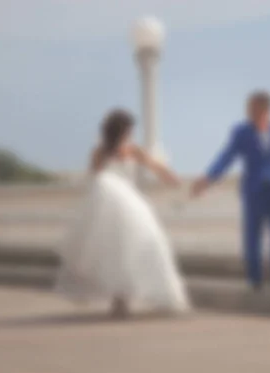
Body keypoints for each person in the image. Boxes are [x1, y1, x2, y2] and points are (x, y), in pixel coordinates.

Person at [56, 109, 191, 317]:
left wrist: (172, 179)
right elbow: (95, 177)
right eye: (129, 129)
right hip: (109, 204)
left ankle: (124, 299)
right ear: (121, 130)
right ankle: (119, 300)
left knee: (135, 247)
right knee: (113, 251)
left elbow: (155, 166)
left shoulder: (133, 150)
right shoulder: (99, 152)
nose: (131, 132)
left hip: (129, 204)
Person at [191, 91, 270, 290]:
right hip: (253, 192)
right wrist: (208, 178)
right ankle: (255, 279)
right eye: (248, 108)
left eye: (252, 107)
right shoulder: (241, 132)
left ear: (264, 109)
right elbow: (226, 157)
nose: (248, 111)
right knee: (253, 237)